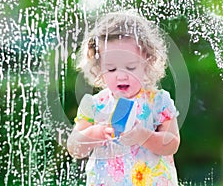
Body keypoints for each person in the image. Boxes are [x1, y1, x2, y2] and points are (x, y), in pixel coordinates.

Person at [67, 10, 180, 186]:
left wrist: (143, 136)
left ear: (147, 61)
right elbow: (74, 147)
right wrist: (94, 133)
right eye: (111, 69)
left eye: (130, 67)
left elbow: (172, 143)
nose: (121, 76)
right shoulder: (95, 105)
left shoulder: (158, 101)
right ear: (99, 67)